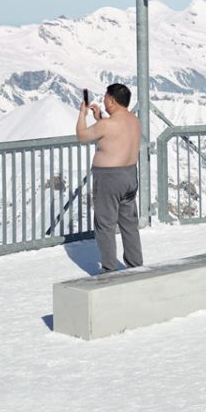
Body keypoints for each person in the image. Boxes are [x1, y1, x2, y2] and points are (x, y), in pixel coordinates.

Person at [76, 83, 144, 271]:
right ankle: (135, 266)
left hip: (109, 178)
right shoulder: (134, 121)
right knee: (129, 224)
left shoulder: (107, 125)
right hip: (130, 175)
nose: (104, 99)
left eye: (106, 97)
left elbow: (82, 136)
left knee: (105, 225)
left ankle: (109, 270)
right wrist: (100, 118)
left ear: (112, 101)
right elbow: (116, 135)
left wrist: (83, 114)